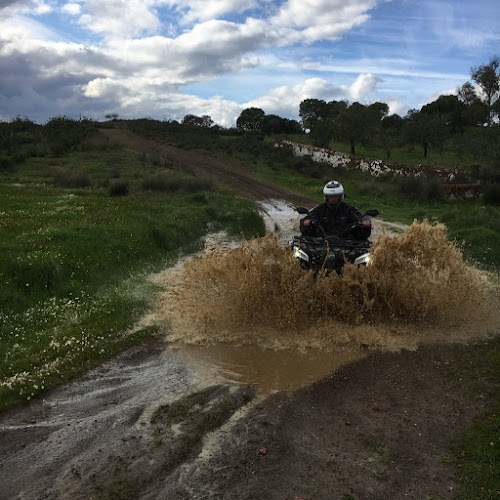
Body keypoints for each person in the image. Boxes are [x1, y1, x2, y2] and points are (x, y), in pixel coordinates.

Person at [300, 180, 372, 240]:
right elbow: (308, 217)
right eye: (330, 197)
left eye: (335, 197)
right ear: (326, 197)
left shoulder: (349, 209)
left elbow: (361, 217)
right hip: (321, 243)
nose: (333, 199)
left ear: (340, 196)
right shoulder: (319, 209)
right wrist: (306, 222)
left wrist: (364, 222)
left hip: (346, 244)